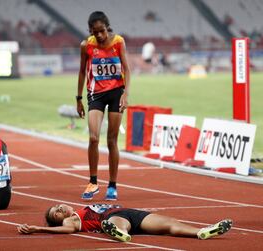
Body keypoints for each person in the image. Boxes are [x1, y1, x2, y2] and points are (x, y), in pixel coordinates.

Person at [76, 11, 131, 201]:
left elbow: (127, 68)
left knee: (112, 140)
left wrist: (126, 93)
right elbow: (82, 72)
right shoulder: (86, 45)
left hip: (116, 92)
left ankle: (113, 185)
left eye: (101, 31)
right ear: (90, 31)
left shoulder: (118, 42)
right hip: (96, 94)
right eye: (95, 32)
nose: (99, 35)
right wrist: (78, 98)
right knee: (93, 138)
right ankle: (92, 181)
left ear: (107, 27)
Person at [17, 204, 233, 242]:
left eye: (58, 206)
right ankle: (118, 233)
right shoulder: (75, 220)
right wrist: (38, 228)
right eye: (57, 214)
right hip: (110, 219)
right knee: (117, 222)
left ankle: (203, 232)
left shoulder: (81, 208)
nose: (60, 210)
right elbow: (66, 230)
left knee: (169, 224)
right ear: (60, 221)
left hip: (133, 213)